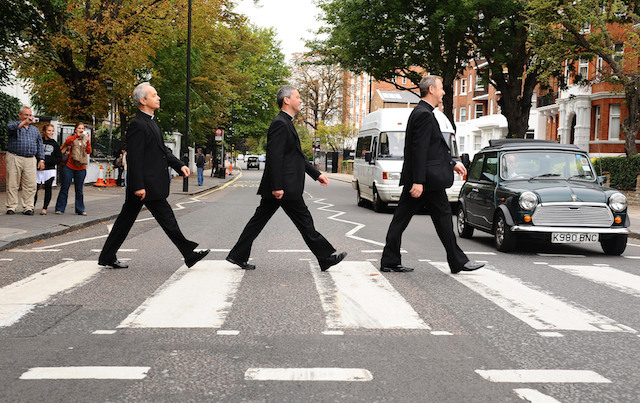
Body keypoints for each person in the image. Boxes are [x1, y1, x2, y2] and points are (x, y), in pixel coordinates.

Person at [226, 85, 346, 272]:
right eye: (297, 97)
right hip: (284, 187)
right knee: (304, 222)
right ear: (286, 100)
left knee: (260, 222)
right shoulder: (280, 123)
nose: (300, 101)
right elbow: (275, 156)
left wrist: (317, 174)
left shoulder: (286, 122)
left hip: (284, 186)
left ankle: (237, 255)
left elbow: (296, 157)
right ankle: (325, 257)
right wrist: (277, 186)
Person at [379, 75, 485, 274]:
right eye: (441, 88)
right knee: (434, 220)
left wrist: (451, 163)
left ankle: (391, 260)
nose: (443, 92)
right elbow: (419, 150)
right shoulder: (423, 114)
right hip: (425, 182)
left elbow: (432, 149)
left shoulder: (423, 113)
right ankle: (457, 261)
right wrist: (418, 181)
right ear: (431, 90)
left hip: (425, 179)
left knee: (417, 220)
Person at [98, 82, 209, 269]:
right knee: (167, 219)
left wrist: (179, 165)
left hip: (149, 184)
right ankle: (188, 253)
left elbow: (163, 151)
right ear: (143, 100)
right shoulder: (137, 125)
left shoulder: (150, 122)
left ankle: (107, 256)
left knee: (125, 222)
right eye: (154, 95)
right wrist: (138, 185)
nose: (158, 97)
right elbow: (135, 158)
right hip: (146, 185)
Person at [5, 106, 45, 215]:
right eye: (26, 115)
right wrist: (24, 122)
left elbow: (40, 145)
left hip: (30, 159)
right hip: (15, 157)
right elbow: (10, 128)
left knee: (30, 184)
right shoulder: (14, 125)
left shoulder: (35, 130)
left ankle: (28, 207)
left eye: (30, 115)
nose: (28, 117)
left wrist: (41, 159)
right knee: (12, 183)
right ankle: (11, 207)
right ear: (20, 115)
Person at [54, 122, 91, 215]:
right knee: (65, 187)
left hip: (81, 167)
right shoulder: (72, 138)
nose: (81, 130)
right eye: (79, 128)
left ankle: (80, 209)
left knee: (79, 190)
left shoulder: (86, 140)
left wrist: (88, 141)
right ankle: (60, 208)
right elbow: (67, 141)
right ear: (76, 130)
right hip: (69, 167)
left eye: (83, 128)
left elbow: (89, 151)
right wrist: (76, 136)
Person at [34, 123, 62, 215]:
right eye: (49, 130)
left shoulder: (55, 144)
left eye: (52, 131)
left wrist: (46, 161)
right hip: (38, 169)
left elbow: (59, 158)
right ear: (44, 131)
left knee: (48, 188)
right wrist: (39, 161)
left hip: (50, 170)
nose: (51, 132)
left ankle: (44, 208)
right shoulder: (39, 142)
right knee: (35, 188)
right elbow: (35, 154)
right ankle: (32, 206)